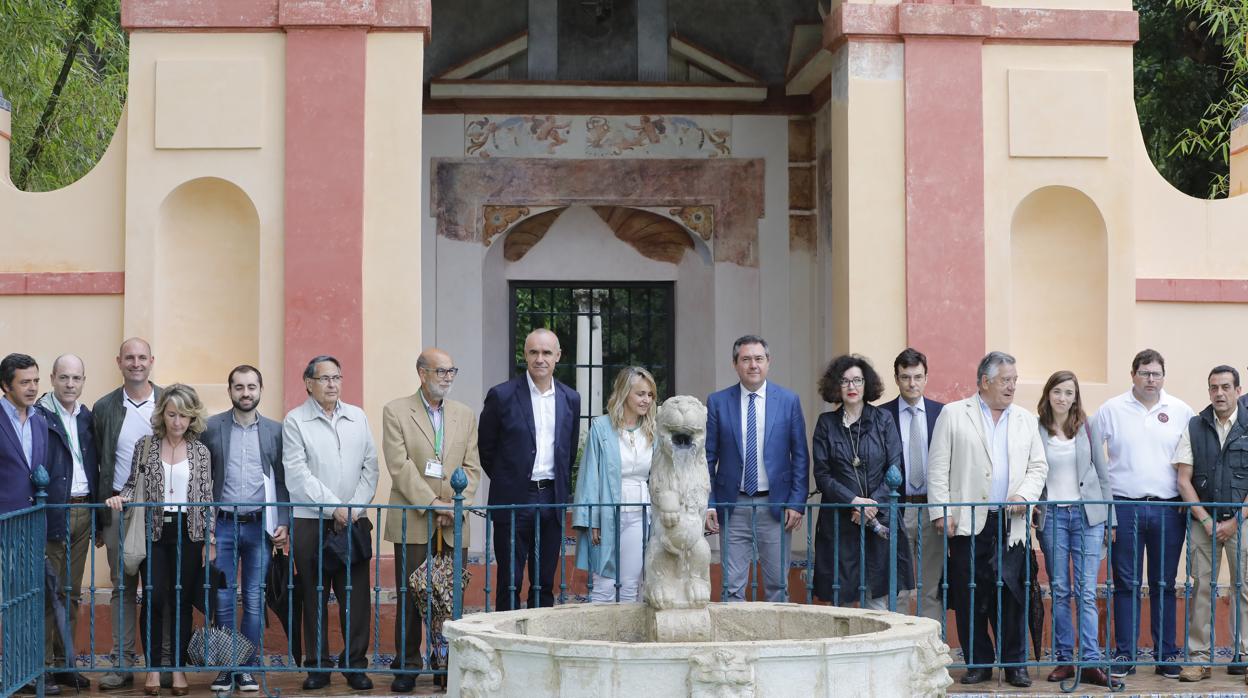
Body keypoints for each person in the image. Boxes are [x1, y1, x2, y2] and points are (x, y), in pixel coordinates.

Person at [927, 351, 1047, 688]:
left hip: (1012, 522)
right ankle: (978, 663)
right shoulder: (954, 414)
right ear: (984, 381)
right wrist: (942, 511)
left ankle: (1014, 664)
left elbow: (1038, 466)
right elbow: (938, 466)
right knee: (969, 592)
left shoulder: (1025, 419)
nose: (1011, 387)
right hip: (967, 521)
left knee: (1013, 592)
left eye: (1014, 380)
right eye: (1005, 380)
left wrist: (1024, 494)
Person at [382, 348, 482, 693]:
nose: (448, 377)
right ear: (422, 373)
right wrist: (433, 502)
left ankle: (446, 667)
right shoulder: (396, 411)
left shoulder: (465, 414)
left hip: (453, 522)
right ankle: (407, 667)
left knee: (450, 599)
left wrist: (455, 506)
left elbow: (472, 467)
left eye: (452, 371)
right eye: (441, 371)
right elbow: (400, 466)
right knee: (411, 597)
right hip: (414, 519)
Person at [1091, 348, 1194, 679]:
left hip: (1167, 507)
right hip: (1125, 506)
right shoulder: (1111, 410)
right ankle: (1126, 655)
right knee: (1126, 583)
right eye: (1145, 373)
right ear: (1132, 374)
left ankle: (1166, 655)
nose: (1151, 379)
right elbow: (1091, 456)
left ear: (1164, 376)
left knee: (1164, 583)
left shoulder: (1180, 410)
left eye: (1157, 373)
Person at [106, 383, 213, 697]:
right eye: (171, 414)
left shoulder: (200, 452)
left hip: (189, 532)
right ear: (162, 414)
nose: (177, 422)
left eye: (183, 415)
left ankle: (177, 669)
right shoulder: (146, 447)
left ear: (192, 417)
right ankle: (153, 668)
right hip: (153, 530)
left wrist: (211, 538)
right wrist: (120, 499)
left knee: (181, 602)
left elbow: (207, 497)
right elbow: (134, 481)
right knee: (152, 598)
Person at [283, 355, 379, 692]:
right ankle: (318, 667)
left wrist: (353, 508)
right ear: (308, 382)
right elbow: (297, 475)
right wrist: (334, 508)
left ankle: (355, 666)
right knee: (314, 595)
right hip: (312, 521)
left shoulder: (357, 417)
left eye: (337, 377)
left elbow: (371, 467)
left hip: (354, 520)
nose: (332, 384)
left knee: (356, 597)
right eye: (325, 378)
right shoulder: (295, 421)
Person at [479, 329, 581, 610]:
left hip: (551, 496)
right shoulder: (501, 395)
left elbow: (568, 451)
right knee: (509, 581)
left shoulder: (570, 398)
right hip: (514, 497)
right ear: (524, 355)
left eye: (547, 352)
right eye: (534, 352)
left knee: (544, 580)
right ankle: (506, 645)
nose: (540, 359)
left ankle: (539, 645)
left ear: (558, 356)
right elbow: (486, 448)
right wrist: (509, 479)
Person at [202, 365, 288, 693]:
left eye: (251, 386)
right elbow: (203, 476)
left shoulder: (275, 431)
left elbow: (282, 480)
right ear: (230, 391)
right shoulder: (211, 428)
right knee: (223, 597)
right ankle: (226, 668)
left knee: (254, 598)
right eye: (239, 387)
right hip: (222, 525)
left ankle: (248, 668)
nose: (246, 393)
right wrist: (206, 525)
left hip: (258, 527)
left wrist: (283, 521)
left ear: (261, 390)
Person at [705, 335, 809, 602]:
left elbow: (800, 456)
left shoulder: (788, 401)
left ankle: (775, 644)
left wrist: (796, 503)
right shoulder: (718, 402)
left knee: (778, 585)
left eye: (759, 359)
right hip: (733, 504)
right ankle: (734, 642)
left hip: (775, 505)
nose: (753, 365)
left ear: (768, 362)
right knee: (731, 586)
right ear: (735, 364)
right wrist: (710, 503)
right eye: (746, 359)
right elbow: (707, 457)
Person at [1034, 370, 1119, 688]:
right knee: (1060, 590)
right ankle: (1064, 661)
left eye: (1069, 392)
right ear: (1048, 393)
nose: (1063, 398)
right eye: (1058, 391)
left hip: (1087, 516)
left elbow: (1103, 471)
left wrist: (1110, 518)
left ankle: (1091, 662)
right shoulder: (1036, 427)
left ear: (1075, 396)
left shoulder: (1087, 426)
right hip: (1053, 516)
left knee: (1085, 592)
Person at [811, 354, 912, 609]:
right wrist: (854, 502)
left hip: (878, 521)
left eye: (857, 380)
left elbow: (895, 469)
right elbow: (822, 474)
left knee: (876, 603)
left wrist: (871, 505)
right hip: (840, 524)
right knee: (841, 604)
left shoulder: (883, 421)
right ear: (836, 386)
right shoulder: (826, 424)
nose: (852, 387)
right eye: (845, 381)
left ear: (867, 385)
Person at [93, 338, 161, 691]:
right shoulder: (105, 407)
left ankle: (158, 666)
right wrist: (100, 521)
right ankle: (121, 663)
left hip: (162, 512)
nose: (136, 363)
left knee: (159, 589)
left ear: (152, 360)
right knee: (123, 587)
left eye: (141, 357)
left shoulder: (169, 402)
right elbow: (96, 464)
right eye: (129, 358)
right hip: (120, 508)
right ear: (119, 361)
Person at [1174, 365, 1248, 683]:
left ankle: (1244, 657)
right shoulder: (1194, 425)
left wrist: (1236, 521)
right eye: (1213, 387)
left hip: (1243, 522)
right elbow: (1183, 480)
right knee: (1201, 588)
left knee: (1245, 589)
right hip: (1203, 524)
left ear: (1238, 391)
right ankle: (1198, 660)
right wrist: (1204, 519)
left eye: (1225, 387)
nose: (1219, 393)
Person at [0, 353, 61, 697]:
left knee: (27, 600)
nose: (33, 387)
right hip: (4, 523)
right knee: (8, 601)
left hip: (31, 525)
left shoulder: (40, 420)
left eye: (36, 380)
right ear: (6, 385)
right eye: (25, 382)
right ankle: (13, 673)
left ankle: (24, 673)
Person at [36, 354, 99, 690]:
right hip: (54, 512)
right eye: (64, 378)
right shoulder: (40, 417)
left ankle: (65, 664)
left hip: (84, 510)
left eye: (76, 378)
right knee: (50, 592)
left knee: (72, 593)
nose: (70, 384)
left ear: (83, 380)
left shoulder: (87, 417)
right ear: (52, 378)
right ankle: (43, 666)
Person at [573, 366, 658, 603]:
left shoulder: (653, 430)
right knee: (604, 583)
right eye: (640, 393)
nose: (646, 400)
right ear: (624, 393)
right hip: (608, 511)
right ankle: (599, 638)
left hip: (641, 513)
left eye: (650, 395)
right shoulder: (601, 428)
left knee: (631, 584)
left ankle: (626, 639)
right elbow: (591, 476)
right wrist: (593, 519)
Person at [880, 348, 945, 621]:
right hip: (899, 509)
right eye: (905, 377)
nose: (912, 383)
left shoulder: (942, 413)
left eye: (918, 377)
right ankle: (901, 642)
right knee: (898, 584)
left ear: (926, 378)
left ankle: (931, 643)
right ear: (896, 379)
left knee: (932, 584)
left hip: (932, 509)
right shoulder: (882, 415)